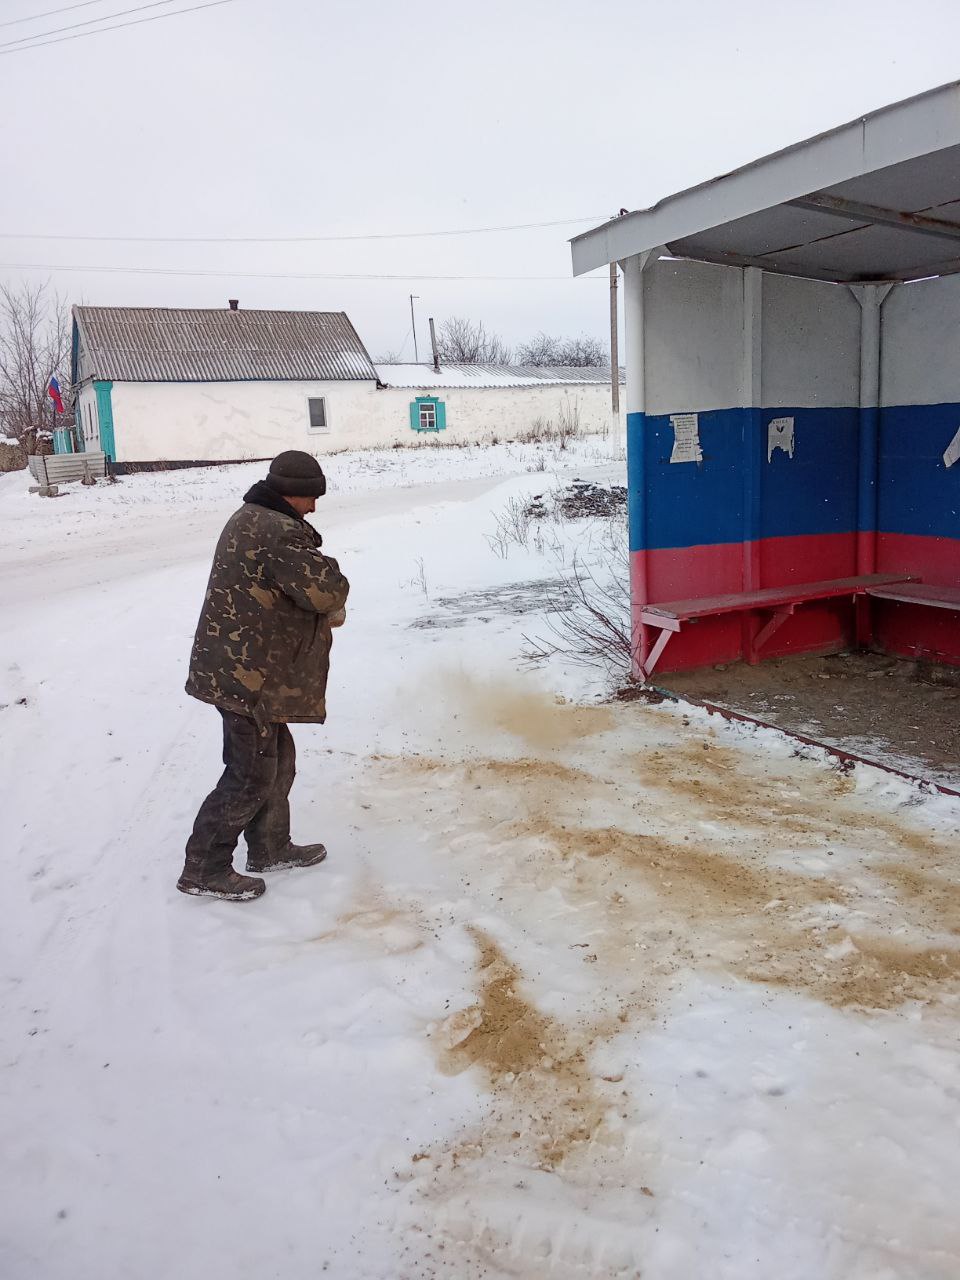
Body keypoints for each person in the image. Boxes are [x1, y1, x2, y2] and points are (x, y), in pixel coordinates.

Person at [178, 450, 350, 901]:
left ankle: (270, 847)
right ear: (293, 493)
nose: (314, 507)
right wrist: (334, 584)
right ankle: (204, 868)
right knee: (251, 772)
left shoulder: (253, 516)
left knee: (278, 759)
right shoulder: (277, 532)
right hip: (244, 675)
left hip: (246, 667)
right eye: (311, 497)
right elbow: (325, 590)